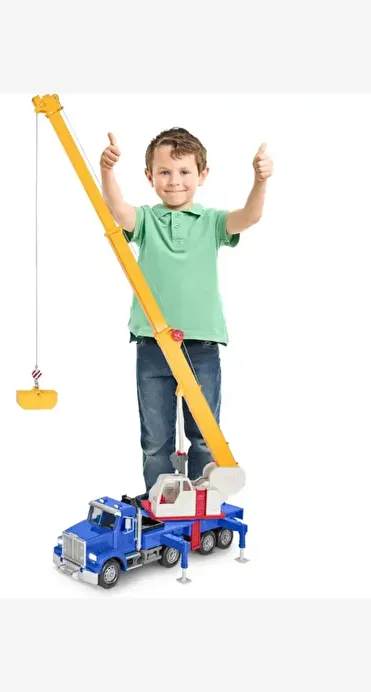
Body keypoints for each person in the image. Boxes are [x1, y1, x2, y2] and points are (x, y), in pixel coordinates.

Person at [100, 126, 273, 494]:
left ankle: (202, 504)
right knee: (155, 440)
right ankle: (160, 504)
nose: (174, 181)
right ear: (149, 177)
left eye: (184, 172)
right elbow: (118, 211)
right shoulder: (146, 220)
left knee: (205, 436)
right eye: (164, 172)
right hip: (152, 343)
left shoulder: (212, 222)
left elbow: (250, 216)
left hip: (201, 343)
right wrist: (107, 171)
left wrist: (260, 181)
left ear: (202, 175)